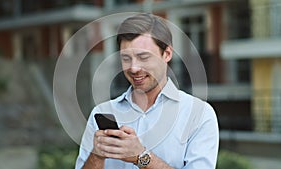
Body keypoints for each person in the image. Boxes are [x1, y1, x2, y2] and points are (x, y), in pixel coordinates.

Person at [75, 13, 219, 169]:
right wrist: (97, 155)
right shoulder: (102, 111)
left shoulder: (199, 114)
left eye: (143, 57)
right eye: (126, 58)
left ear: (167, 54)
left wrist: (141, 157)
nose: (134, 68)